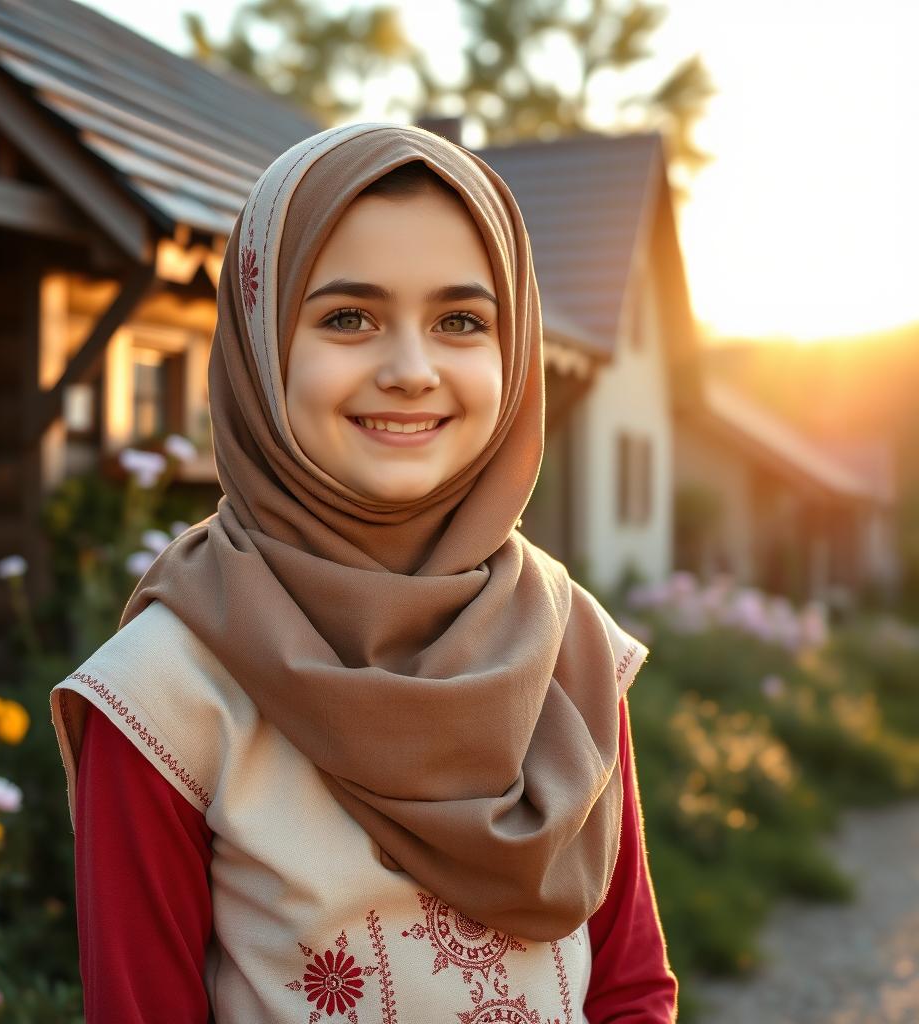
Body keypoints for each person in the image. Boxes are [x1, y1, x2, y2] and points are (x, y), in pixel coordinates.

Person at [50, 122, 678, 1023]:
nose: (411, 370)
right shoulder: (163, 698)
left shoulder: (569, 646)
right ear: (262, 349)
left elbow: (629, 990)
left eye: (461, 321)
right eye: (348, 317)